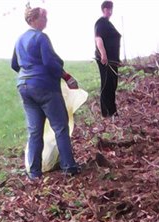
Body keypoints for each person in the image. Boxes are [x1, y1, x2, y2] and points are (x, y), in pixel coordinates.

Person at [12, 6, 80, 179]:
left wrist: (28, 72)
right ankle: (69, 167)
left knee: (35, 131)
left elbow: (14, 65)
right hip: (45, 87)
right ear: (35, 19)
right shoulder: (41, 37)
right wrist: (67, 77)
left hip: (24, 87)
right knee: (60, 126)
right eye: (44, 17)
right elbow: (50, 63)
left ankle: (34, 173)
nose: (46, 21)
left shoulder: (19, 39)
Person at [94, 0, 121, 119]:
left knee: (112, 84)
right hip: (106, 60)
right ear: (103, 9)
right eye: (108, 9)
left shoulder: (107, 23)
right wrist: (103, 54)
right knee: (107, 84)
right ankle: (108, 113)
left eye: (111, 9)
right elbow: (98, 39)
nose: (110, 11)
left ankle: (111, 111)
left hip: (112, 60)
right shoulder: (101, 23)